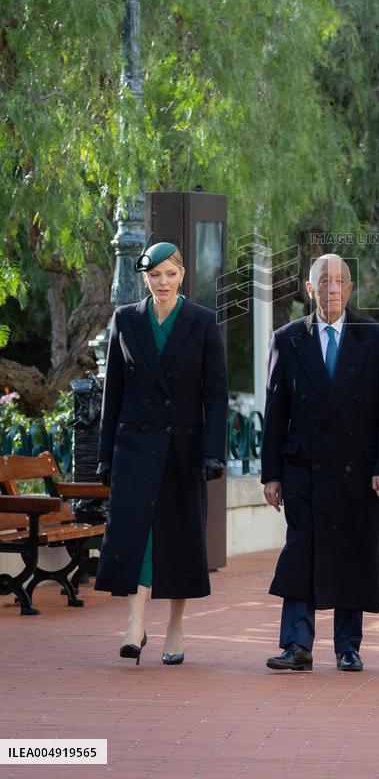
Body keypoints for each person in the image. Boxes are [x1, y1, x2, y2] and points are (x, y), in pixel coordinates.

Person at [261, 254, 379, 672]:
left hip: (357, 471)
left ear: (351, 287)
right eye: (324, 281)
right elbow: (275, 412)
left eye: (341, 281)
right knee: (300, 553)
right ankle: (296, 644)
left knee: (352, 553)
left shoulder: (377, 341)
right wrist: (271, 474)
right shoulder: (287, 339)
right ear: (310, 289)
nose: (333, 289)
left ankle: (348, 646)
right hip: (303, 468)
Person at [95, 240, 228, 666]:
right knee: (138, 534)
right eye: (155, 276)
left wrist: (212, 453)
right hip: (134, 447)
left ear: (183, 275)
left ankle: (175, 626)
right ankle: (134, 626)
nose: (162, 282)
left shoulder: (204, 322)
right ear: (145, 278)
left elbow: (217, 394)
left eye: (170, 274)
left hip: (183, 450)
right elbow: (112, 392)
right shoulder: (125, 320)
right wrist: (104, 456)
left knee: (180, 540)